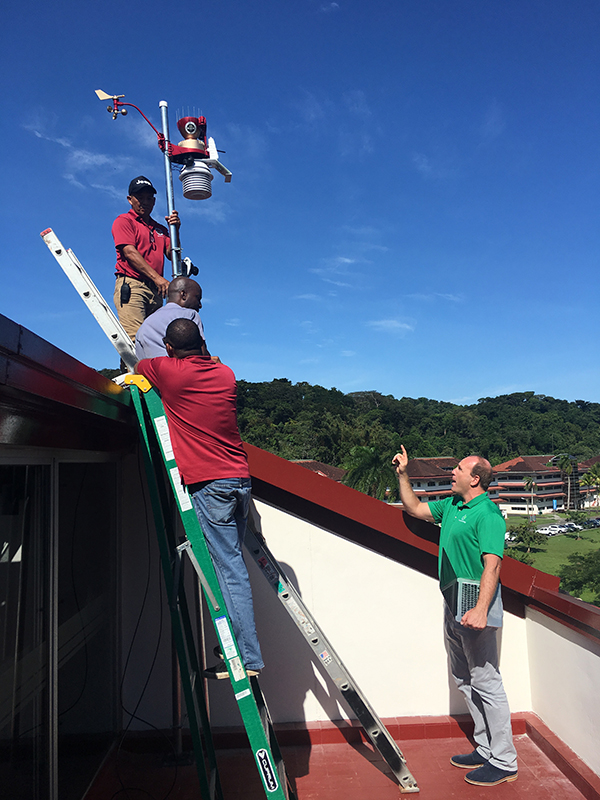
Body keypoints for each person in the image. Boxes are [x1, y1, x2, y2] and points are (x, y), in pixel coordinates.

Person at [136, 318, 263, 679]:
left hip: (209, 484)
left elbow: (141, 363)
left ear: (171, 349)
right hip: (238, 479)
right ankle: (237, 649)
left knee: (229, 571)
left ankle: (247, 658)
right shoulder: (225, 374)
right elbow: (210, 359)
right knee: (232, 566)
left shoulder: (168, 371)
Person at [392, 446, 518, 787]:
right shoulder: (451, 506)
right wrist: (403, 475)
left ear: (475, 479)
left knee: (487, 681)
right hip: (453, 602)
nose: (453, 472)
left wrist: (480, 609)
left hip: (477, 607)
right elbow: (415, 508)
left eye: (458, 469)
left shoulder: (487, 515)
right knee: (464, 678)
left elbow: (492, 564)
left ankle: (505, 760)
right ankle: (485, 747)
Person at [112, 176, 181, 342]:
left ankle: (148, 368)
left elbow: (173, 256)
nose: (145, 202)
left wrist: (175, 231)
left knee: (156, 341)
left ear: (154, 201)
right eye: (140, 198)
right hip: (133, 285)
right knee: (136, 341)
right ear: (130, 200)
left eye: (149, 198)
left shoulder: (161, 229)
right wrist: (158, 279)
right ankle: (133, 368)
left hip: (156, 290)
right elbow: (129, 252)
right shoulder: (124, 221)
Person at [135, 277, 208, 360]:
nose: (200, 305)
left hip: (153, 371)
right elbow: (203, 357)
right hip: (186, 371)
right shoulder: (190, 314)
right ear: (183, 295)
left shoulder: (145, 325)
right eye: (197, 298)